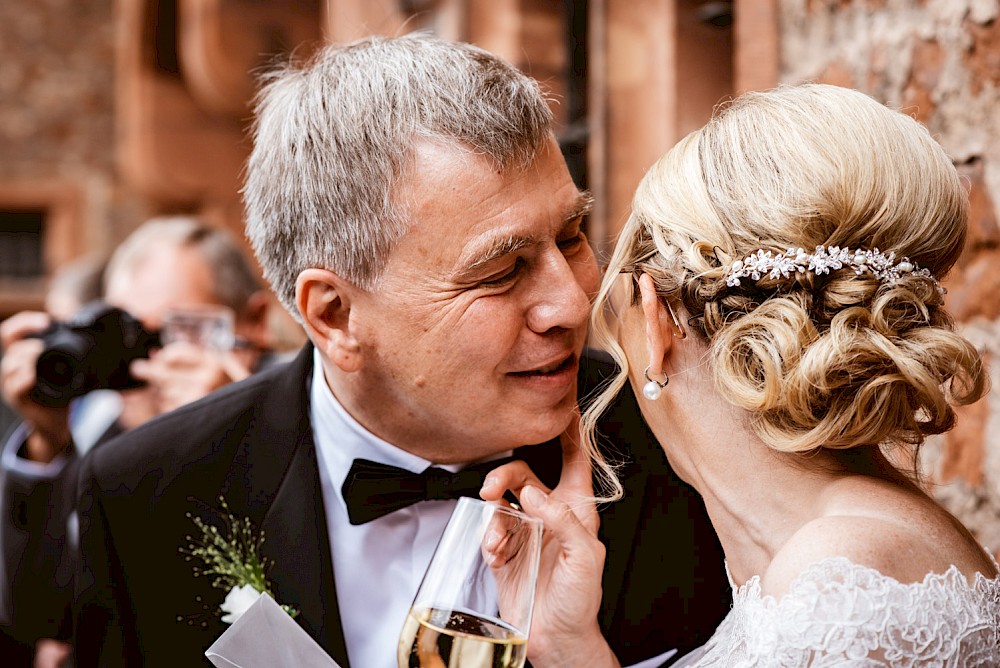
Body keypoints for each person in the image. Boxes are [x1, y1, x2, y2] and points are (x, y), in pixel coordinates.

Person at [72, 34, 730, 668]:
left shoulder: (670, 449)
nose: (571, 304)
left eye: (572, 236)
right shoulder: (148, 497)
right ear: (335, 316)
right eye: (501, 271)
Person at [483, 83, 1000, 666]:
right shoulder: (835, 558)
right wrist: (568, 644)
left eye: (621, 300)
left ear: (656, 325)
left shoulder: (840, 579)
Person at [0, 217, 276, 667]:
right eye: (128, 336)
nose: (148, 363)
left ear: (255, 321)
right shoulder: (110, 438)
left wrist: (230, 426)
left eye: (176, 333)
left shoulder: (298, 409)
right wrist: (47, 440)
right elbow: (41, 619)